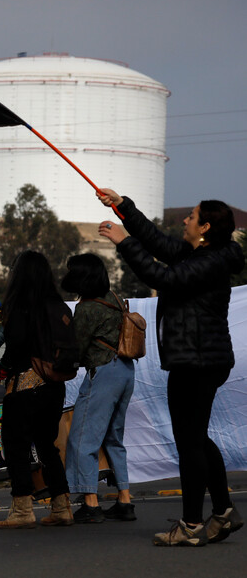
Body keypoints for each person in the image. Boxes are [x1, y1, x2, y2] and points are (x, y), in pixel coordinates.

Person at [97, 189, 245, 546]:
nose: (185, 220)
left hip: (197, 362)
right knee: (196, 438)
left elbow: (162, 277)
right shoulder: (200, 254)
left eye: (192, 216)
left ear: (205, 227)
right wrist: (122, 206)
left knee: (190, 443)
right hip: (198, 359)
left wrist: (124, 242)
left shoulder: (209, 263)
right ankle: (223, 512)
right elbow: (158, 243)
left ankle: (191, 524)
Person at [0, 251, 74, 529]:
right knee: (47, 446)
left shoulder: (21, 307)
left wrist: (1, 371)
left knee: (17, 446)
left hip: (25, 385)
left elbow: (15, 347)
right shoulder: (59, 306)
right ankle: (62, 507)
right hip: (54, 385)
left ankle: (22, 509)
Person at [60, 253, 136, 523]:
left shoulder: (87, 308)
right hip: (126, 370)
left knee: (83, 439)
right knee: (114, 438)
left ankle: (91, 504)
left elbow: (77, 349)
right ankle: (125, 501)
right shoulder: (114, 297)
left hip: (103, 372)